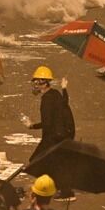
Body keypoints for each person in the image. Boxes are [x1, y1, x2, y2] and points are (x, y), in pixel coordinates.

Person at [23, 66, 75, 200]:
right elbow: (65, 102)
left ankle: (52, 189)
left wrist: (32, 126)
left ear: (44, 83)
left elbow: (47, 124)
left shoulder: (46, 100)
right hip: (64, 135)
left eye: (36, 82)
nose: (34, 84)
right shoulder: (56, 93)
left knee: (37, 161)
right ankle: (63, 189)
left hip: (54, 137)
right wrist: (64, 88)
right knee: (56, 163)